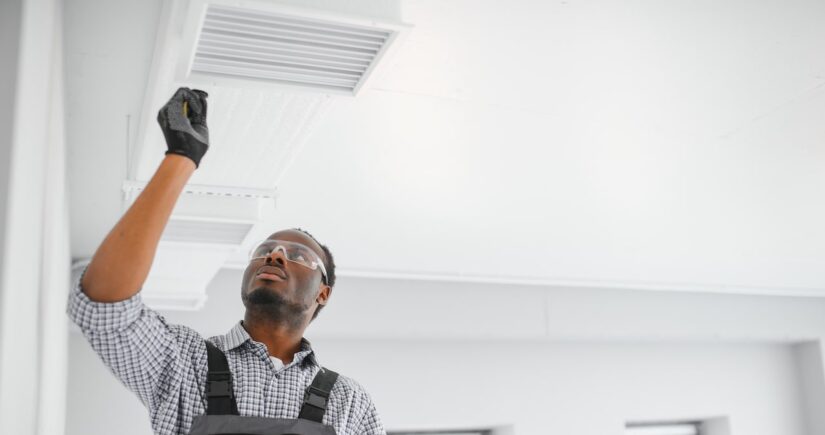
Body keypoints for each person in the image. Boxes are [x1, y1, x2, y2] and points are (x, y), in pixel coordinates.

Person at [67, 88, 385, 435]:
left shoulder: (349, 404)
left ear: (323, 293)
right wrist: (182, 155)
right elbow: (104, 305)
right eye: (264, 250)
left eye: (298, 255)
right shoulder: (185, 361)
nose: (275, 254)